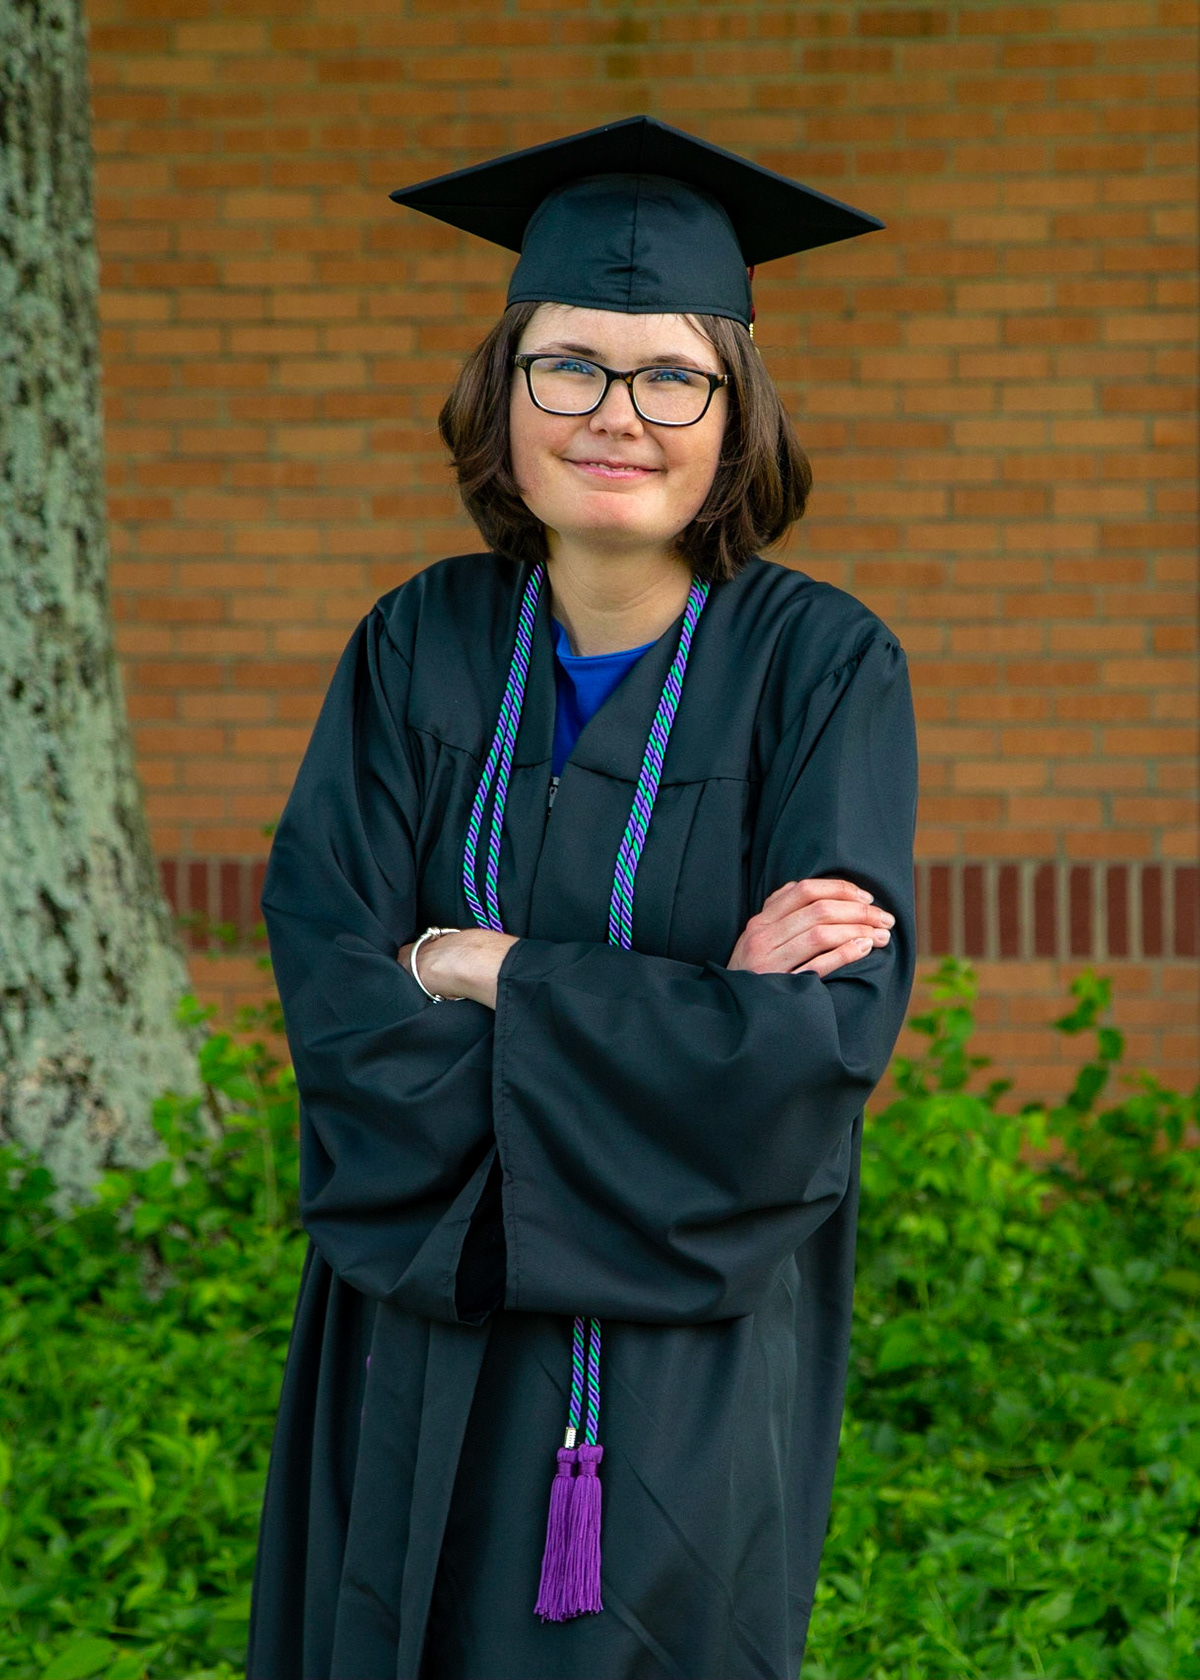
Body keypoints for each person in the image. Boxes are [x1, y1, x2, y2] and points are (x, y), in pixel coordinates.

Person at [247, 116, 918, 1680]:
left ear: (735, 412)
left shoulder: (822, 671)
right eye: (569, 367)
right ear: (505, 392)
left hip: (677, 1375)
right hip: (416, 1319)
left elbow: (805, 1053)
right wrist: (684, 1014)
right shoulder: (413, 645)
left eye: (672, 376)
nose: (617, 414)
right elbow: (336, 993)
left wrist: (477, 967)